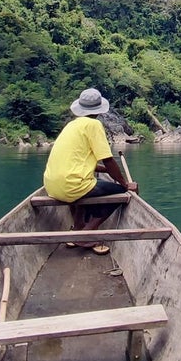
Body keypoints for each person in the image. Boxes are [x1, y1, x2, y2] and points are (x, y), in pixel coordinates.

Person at [43, 88, 138, 252]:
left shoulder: (72, 125)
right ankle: (86, 233)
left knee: (85, 185)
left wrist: (108, 172)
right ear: (99, 110)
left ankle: (78, 226)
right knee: (120, 193)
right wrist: (124, 184)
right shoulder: (93, 124)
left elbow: (80, 161)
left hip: (51, 185)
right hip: (72, 185)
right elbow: (108, 159)